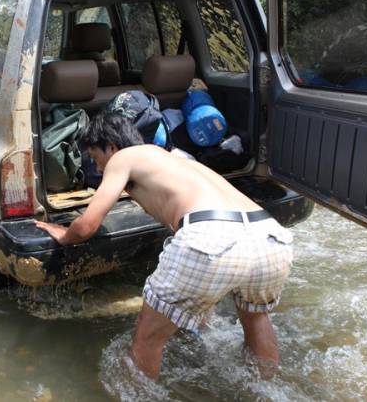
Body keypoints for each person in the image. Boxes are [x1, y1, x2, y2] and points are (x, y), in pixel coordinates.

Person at [35, 113, 294, 380]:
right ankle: (267, 391)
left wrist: (65, 235)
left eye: (95, 157)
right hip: (270, 237)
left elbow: (87, 225)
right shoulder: (175, 158)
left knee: (148, 335)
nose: (97, 168)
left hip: (210, 233)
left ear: (111, 146)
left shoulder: (123, 158)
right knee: (255, 319)